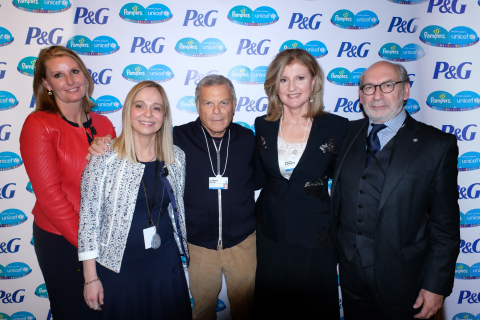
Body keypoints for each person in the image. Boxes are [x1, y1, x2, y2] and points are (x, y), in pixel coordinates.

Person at [87, 75, 256, 320]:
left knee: (246, 310)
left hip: (242, 243)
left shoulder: (248, 138)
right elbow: (140, 137)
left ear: (235, 104)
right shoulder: (177, 138)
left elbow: (260, 179)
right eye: (208, 103)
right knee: (202, 311)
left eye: (224, 102)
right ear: (197, 104)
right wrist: (102, 143)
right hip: (199, 246)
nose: (217, 111)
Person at [331, 61, 460, 319]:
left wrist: (436, 286)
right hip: (351, 275)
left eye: (387, 85)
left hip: (405, 281)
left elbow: (444, 226)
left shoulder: (436, 145)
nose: (377, 95)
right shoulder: (346, 133)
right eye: (368, 87)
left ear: (406, 90)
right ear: (360, 94)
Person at [77, 81, 191, 319]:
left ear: (164, 116)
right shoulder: (104, 158)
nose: (148, 114)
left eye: (156, 108)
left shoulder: (176, 158)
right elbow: (88, 221)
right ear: (128, 110)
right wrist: (91, 278)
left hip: (165, 264)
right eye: (140, 106)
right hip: (119, 268)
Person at [19, 45, 116, 319]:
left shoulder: (105, 124)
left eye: (75, 71)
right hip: (61, 240)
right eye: (59, 75)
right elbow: (51, 198)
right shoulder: (39, 124)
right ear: (46, 84)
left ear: (85, 75)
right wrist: (91, 247)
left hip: (102, 239)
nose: (71, 81)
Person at [252, 48, 349, 318]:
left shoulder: (338, 127)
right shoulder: (264, 125)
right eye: (284, 79)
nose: (292, 87)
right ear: (275, 85)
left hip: (315, 238)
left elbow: (347, 183)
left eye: (300, 78)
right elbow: (256, 176)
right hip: (270, 236)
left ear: (314, 82)